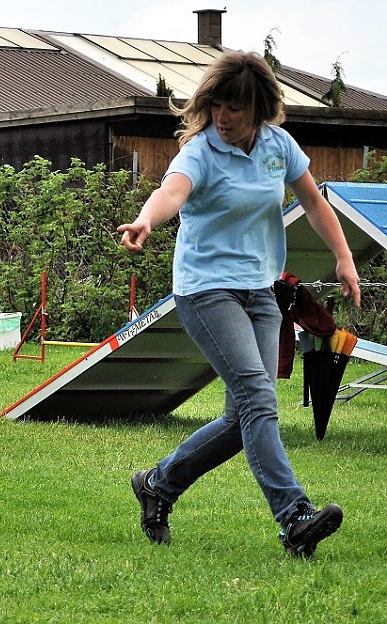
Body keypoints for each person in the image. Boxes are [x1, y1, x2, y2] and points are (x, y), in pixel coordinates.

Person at [117, 51, 361, 556]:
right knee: (256, 396)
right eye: (217, 106)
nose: (224, 118)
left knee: (240, 419)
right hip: (206, 290)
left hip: (262, 291)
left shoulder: (279, 146)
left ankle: (157, 484)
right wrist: (146, 220)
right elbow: (172, 193)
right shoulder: (200, 153)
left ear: (260, 109)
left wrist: (343, 258)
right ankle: (295, 516)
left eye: (235, 109)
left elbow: (314, 201)